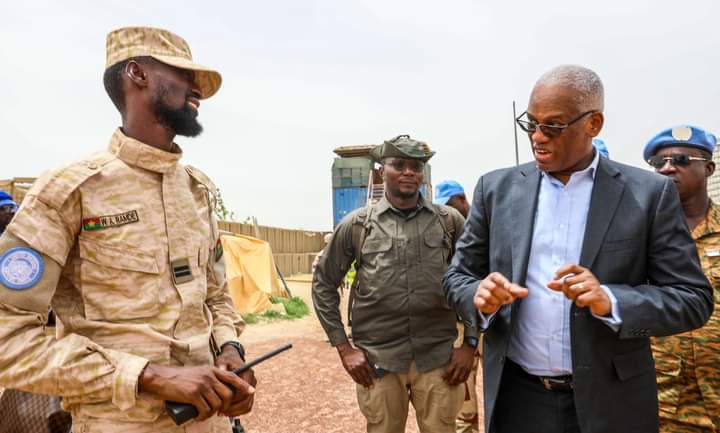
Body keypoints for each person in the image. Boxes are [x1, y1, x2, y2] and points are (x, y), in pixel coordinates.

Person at [0, 27, 255, 433]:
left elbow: (216, 297)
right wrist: (148, 375)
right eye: (183, 76)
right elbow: (7, 342)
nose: (197, 91)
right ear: (137, 74)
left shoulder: (197, 190)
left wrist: (229, 349)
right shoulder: (70, 191)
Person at [443, 64, 714, 433]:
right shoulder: (496, 190)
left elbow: (692, 299)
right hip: (519, 400)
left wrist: (612, 300)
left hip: (612, 402)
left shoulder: (647, 195)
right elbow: (457, 277)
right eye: (531, 124)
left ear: (593, 124)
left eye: (553, 125)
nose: (538, 137)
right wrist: (479, 294)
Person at [313, 135, 473, 433]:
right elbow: (323, 283)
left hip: (438, 358)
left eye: (416, 166)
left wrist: (470, 344)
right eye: (399, 164)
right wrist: (344, 349)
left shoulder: (449, 221)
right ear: (380, 171)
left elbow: (473, 280)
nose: (409, 172)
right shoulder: (357, 225)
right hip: (378, 361)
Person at [644, 125, 720, 433]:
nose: (667, 168)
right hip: (664, 401)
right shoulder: (640, 237)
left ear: (709, 168)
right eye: (658, 163)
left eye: (680, 159)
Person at [435, 180, 479, 433]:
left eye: (450, 205)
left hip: (494, 322)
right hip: (462, 323)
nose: (447, 212)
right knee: (463, 389)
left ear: (462, 199)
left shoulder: (487, 223)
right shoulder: (447, 227)